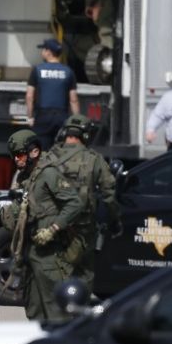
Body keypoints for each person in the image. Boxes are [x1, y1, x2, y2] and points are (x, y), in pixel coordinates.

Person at [0, 129, 83, 322]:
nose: (16, 160)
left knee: (56, 312)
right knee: (33, 309)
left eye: (20, 155)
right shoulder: (24, 178)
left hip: (50, 256)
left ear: (34, 152)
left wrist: (53, 229)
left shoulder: (49, 173)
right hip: (31, 253)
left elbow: (74, 204)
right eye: (14, 156)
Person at [47, 115, 121, 292]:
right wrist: (115, 220)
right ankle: (78, 312)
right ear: (85, 135)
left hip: (52, 227)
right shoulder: (94, 159)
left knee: (53, 271)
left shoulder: (49, 157)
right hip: (82, 230)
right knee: (84, 274)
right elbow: (109, 194)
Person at [27, 38, 79, 151]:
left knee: (41, 153)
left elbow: (30, 96)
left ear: (48, 52)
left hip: (43, 117)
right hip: (62, 117)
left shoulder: (37, 70)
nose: (42, 53)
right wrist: (77, 121)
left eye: (43, 50)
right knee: (61, 152)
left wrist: (30, 117)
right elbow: (73, 100)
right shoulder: (68, 72)